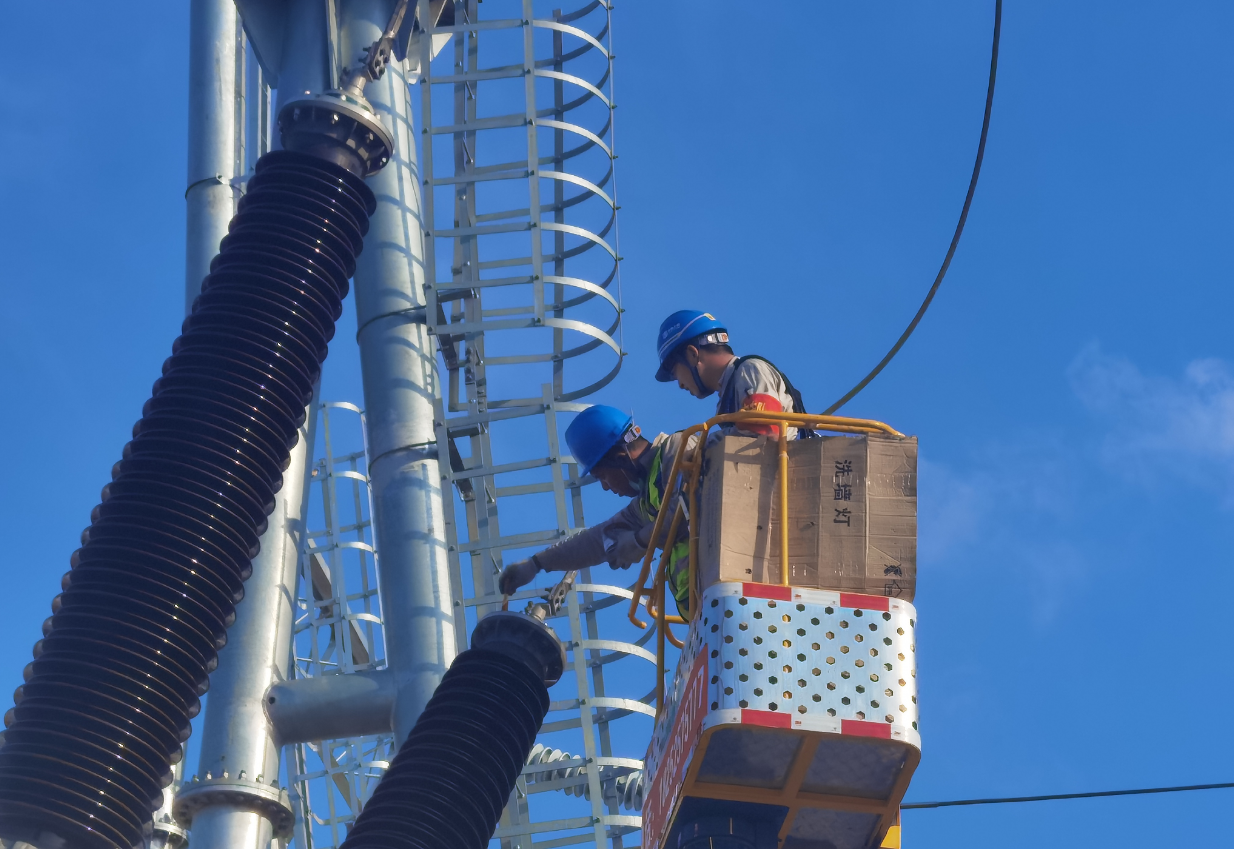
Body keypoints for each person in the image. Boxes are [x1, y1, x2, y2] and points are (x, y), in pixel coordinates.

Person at [497, 405, 699, 614]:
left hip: (719, 589)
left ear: (620, 458)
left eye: (602, 476)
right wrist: (536, 563)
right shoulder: (646, 502)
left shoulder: (678, 448)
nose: (605, 486)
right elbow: (597, 540)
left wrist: (638, 541)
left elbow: (687, 509)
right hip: (702, 608)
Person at [654, 310, 812, 438]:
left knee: (680, 443)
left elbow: (764, 430)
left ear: (692, 354)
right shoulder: (729, 391)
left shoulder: (750, 370)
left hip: (785, 463)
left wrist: (700, 446)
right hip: (770, 465)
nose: (680, 385)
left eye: (675, 373)